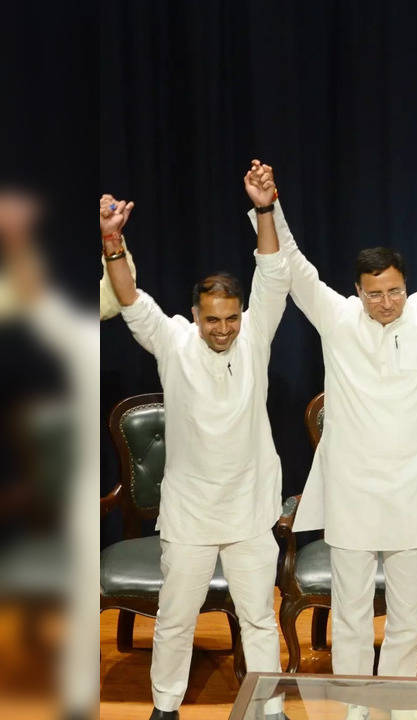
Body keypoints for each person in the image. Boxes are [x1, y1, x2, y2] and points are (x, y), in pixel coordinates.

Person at [249, 162, 417, 720]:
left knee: (410, 612)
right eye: (374, 294)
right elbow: (293, 268)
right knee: (350, 613)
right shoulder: (338, 319)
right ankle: (355, 709)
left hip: (416, 488)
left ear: (405, 287)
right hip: (352, 489)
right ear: (357, 291)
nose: (385, 302)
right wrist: (269, 208)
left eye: (393, 291)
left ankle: (399, 707)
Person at [103, 164, 290, 720]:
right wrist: (113, 240)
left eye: (231, 318)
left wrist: (263, 210)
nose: (223, 329)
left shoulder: (255, 336)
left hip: (251, 506)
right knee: (176, 617)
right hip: (189, 510)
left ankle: (270, 709)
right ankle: (165, 708)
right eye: (212, 319)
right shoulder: (173, 341)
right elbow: (131, 298)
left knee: (259, 616)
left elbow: (274, 272)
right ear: (195, 315)